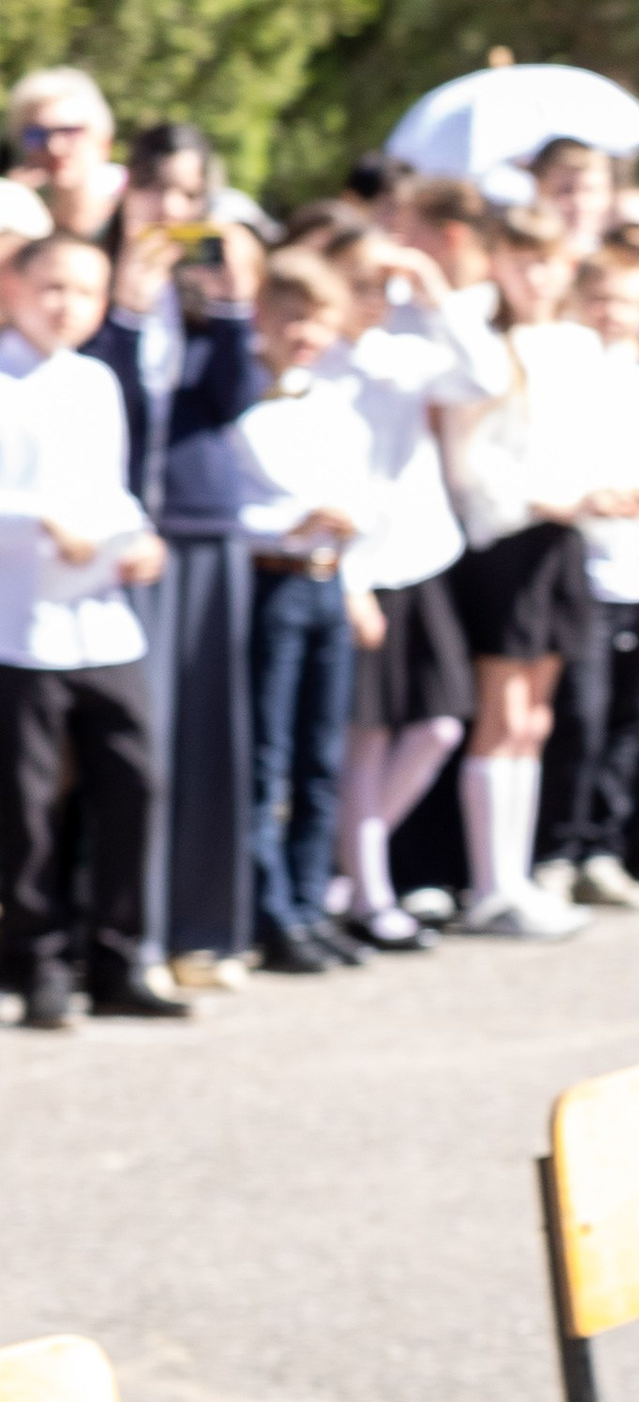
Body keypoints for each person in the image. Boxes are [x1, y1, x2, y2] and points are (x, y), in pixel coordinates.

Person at [87, 128, 267, 989]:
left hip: (203, 526)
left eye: (191, 194)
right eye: (158, 190)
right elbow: (92, 403)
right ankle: (132, 936)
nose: (173, 211)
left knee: (208, 737)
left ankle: (202, 928)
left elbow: (234, 403)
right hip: (116, 542)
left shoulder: (201, 295)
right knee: (136, 745)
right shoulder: (92, 283)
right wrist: (122, 308)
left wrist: (233, 306)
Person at [0, 230, 181, 1027]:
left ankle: (117, 954)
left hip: (101, 618)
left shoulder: (97, 380)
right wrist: (41, 521)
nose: (66, 305)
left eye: (85, 291)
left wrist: (136, 535)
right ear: (14, 286)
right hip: (22, 622)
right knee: (28, 804)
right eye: (51, 287)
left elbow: (112, 486)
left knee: (134, 778)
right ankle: (37, 961)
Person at [323, 222, 513, 950]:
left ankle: (349, 867)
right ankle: (369, 894)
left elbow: (485, 376)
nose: (374, 301)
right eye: (359, 286)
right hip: (359, 569)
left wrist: (435, 292)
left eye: (382, 288)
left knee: (436, 726)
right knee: (365, 739)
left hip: (421, 559)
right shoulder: (322, 367)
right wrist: (348, 576)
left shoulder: (401, 354)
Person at [441, 201, 611, 937]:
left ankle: (519, 873)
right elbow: (467, 460)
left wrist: (600, 491)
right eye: (520, 260)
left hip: (563, 535)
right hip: (506, 538)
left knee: (535, 717)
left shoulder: (577, 344)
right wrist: (530, 497)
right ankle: (490, 882)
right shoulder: (482, 343)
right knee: (501, 712)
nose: (535, 276)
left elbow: (590, 435)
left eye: (547, 260)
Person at [230, 251, 377, 975]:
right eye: (292, 317)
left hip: (326, 579)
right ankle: (272, 910)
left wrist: (353, 547)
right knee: (270, 756)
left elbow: (363, 491)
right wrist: (293, 521)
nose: (306, 333)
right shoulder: (244, 402)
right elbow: (239, 505)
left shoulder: (334, 405)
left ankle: (312, 902)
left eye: (319, 320)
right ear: (264, 317)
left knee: (322, 754)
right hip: (274, 581)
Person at [537, 238, 639, 903]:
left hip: (635, 565)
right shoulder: (562, 375)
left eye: (624, 301)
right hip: (579, 565)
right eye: (598, 298)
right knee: (580, 714)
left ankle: (603, 842)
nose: (610, 313)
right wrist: (594, 495)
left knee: (630, 713)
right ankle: (558, 847)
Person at [11, 65, 122, 241]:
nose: (53, 146)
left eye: (69, 132)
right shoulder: (16, 226)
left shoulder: (129, 225)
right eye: (36, 134)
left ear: (103, 143)